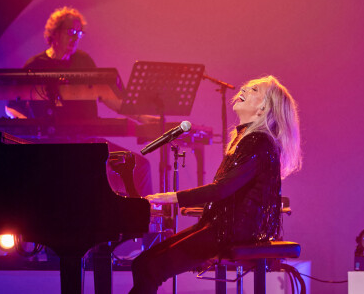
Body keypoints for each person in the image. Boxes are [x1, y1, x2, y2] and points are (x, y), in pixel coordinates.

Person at [129, 75, 302, 294]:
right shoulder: (248, 139)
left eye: (255, 90)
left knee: (148, 267)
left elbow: (222, 189)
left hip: (230, 232)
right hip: (221, 226)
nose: (245, 90)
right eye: (247, 87)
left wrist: (171, 197)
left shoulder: (257, 141)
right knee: (143, 264)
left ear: (263, 109)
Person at [6, 6, 153, 197]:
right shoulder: (36, 65)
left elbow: (110, 98)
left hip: (90, 141)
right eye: (71, 32)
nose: (76, 37)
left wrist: (143, 118)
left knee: (140, 167)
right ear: (55, 33)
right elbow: (12, 107)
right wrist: (33, 135)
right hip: (52, 146)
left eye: (79, 33)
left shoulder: (83, 61)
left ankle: (142, 223)